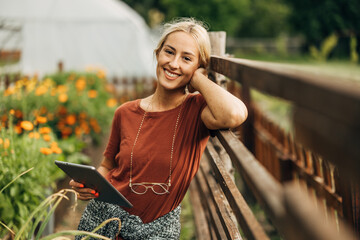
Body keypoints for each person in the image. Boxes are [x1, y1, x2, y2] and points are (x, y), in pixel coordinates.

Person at [70, 17, 248, 240]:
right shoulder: (125, 112)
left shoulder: (197, 111)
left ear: (198, 66)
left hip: (158, 230)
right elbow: (108, 165)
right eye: (169, 52)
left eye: (186, 58)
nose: (174, 63)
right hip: (104, 219)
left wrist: (199, 80)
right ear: (157, 53)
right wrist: (90, 185)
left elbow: (234, 114)